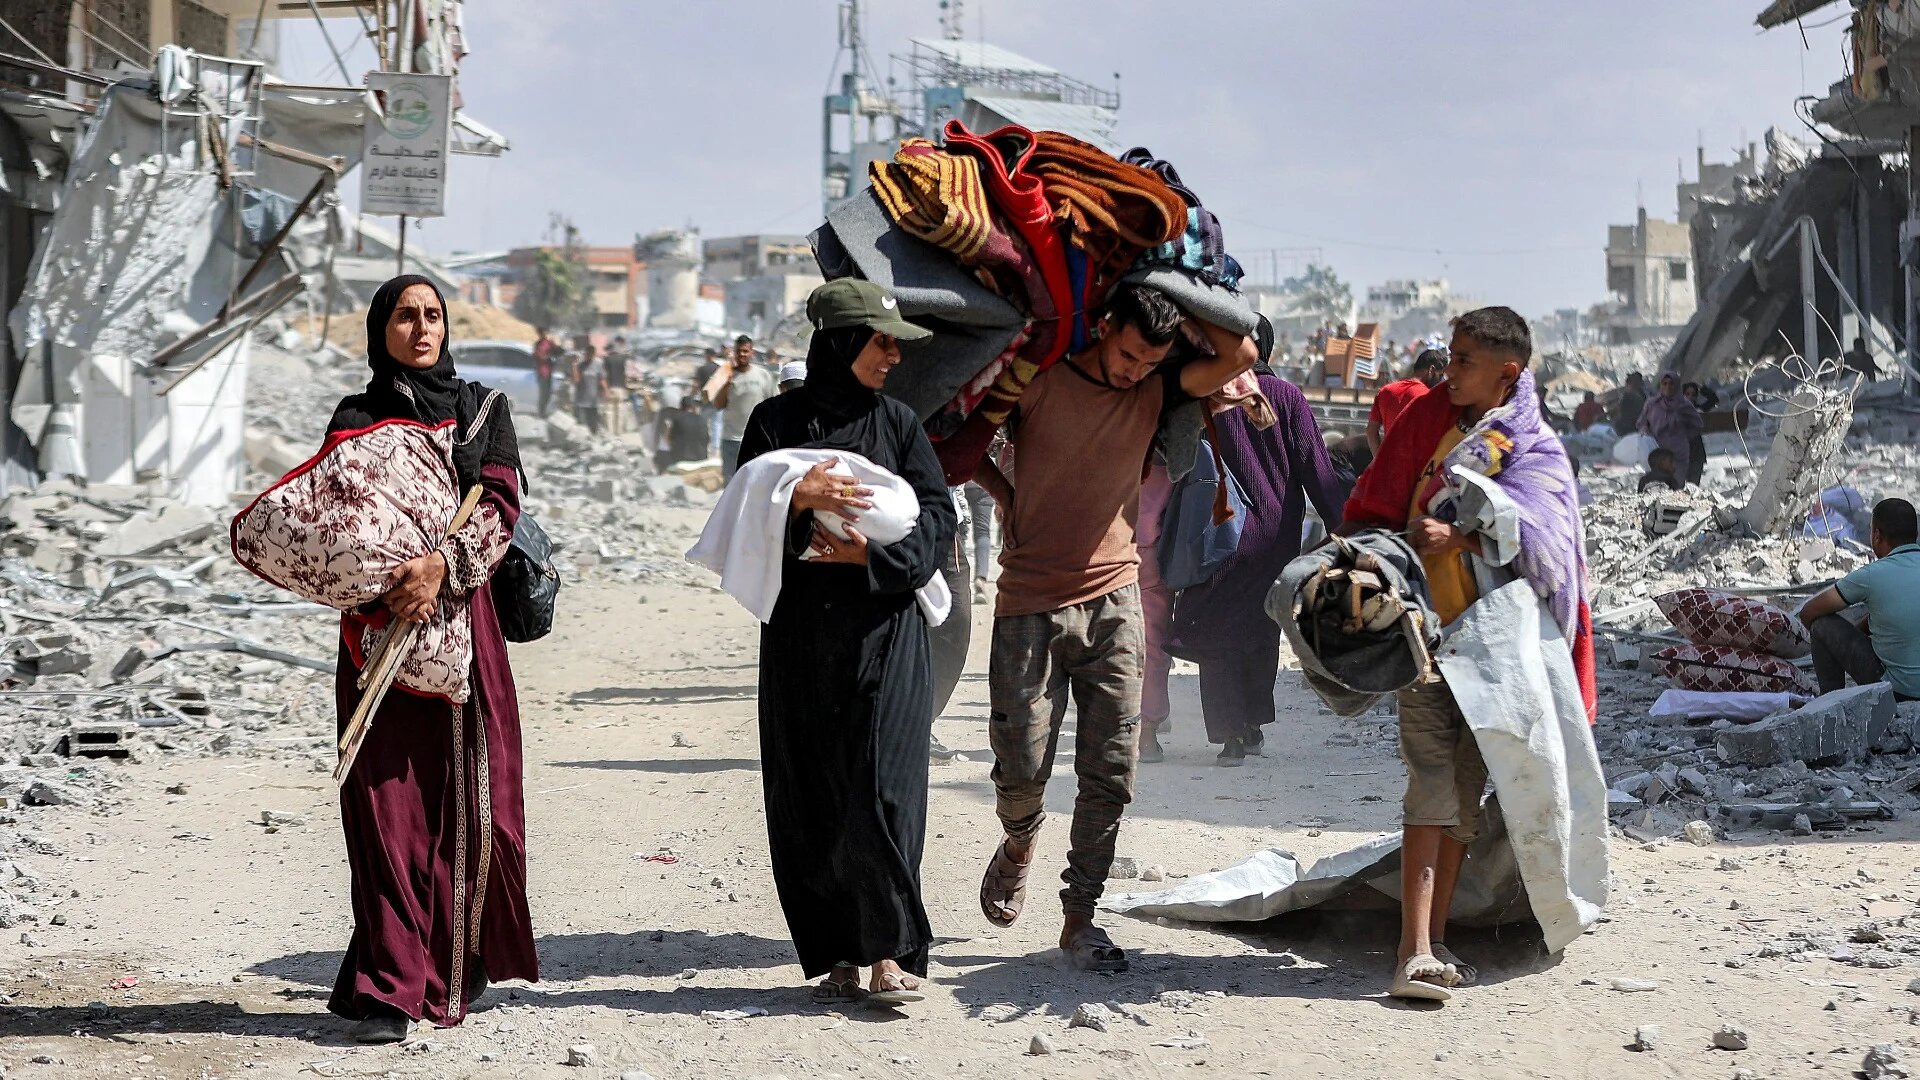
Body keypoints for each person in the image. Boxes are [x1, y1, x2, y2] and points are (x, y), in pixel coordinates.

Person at [973, 283, 1257, 974]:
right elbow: (965, 434)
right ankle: (1019, 837)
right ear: (1103, 328)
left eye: (1148, 359)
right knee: (1021, 766)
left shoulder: (1156, 391)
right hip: (1030, 599)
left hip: (1115, 600)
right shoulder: (1038, 379)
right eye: (1128, 353)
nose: (1133, 369)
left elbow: (1240, 347)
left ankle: (1081, 915)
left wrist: (1161, 291)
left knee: (1111, 772)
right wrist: (1005, 496)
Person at [1337, 306, 1594, 1004]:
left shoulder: (1534, 448)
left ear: (1508, 372)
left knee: (1464, 794)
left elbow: (1551, 548)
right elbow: (1375, 505)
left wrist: (1469, 541)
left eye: (1464, 362)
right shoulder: (1424, 422)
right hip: (1424, 638)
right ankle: (1411, 950)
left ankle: (1436, 935)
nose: (1449, 373)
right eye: (1448, 358)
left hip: (1497, 652)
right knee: (1429, 781)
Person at [324, 276, 537, 1041]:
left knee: (463, 807)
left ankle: (450, 962)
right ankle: (389, 985)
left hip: (462, 624)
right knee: (383, 809)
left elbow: (501, 505)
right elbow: (334, 524)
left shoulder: (481, 411)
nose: (422, 328)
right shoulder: (356, 418)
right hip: (376, 631)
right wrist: (390, 583)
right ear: (382, 327)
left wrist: (440, 569)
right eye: (407, 316)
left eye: (434, 315)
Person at [737, 277, 955, 1007]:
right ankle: (836, 951)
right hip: (800, 637)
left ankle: (890, 951)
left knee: (884, 786)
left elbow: (937, 518)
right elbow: (742, 515)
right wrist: (798, 501)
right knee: (815, 789)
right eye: (882, 341)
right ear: (841, 342)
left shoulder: (898, 424)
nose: (894, 355)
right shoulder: (774, 423)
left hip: (885, 630)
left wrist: (872, 559)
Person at [1167, 363, 1345, 766]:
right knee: (1261, 628)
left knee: (1217, 632)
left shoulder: (1208, 394)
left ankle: (1230, 735)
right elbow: (1316, 468)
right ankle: (1253, 725)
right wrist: (1343, 525)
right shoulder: (1286, 397)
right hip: (1275, 539)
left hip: (1218, 534)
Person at [1798, 498, 1920, 703]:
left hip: (1896, 691)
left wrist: (1841, 645)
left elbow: (1809, 612)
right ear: (1915, 535)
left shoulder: (1872, 575)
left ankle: (1829, 704)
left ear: (1876, 536)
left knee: (1822, 625)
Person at [1135, 462, 1177, 764]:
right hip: (1151, 555)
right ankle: (1147, 731)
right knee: (1153, 644)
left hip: (1103, 551)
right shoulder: (1171, 458)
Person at [712, 335, 775, 482]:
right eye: (739, 351)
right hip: (731, 439)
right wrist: (727, 384)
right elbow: (718, 405)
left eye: (745, 351)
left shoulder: (763, 375)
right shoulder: (727, 375)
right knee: (730, 482)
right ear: (734, 352)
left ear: (752, 352)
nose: (742, 354)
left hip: (756, 438)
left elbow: (772, 404)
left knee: (754, 481)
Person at [1368, 349, 1446, 454]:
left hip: (1389, 461)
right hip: (1413, 465)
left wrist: (1378, 460)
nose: (1439, 381)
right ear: (1431, 370)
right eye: (1440, 375)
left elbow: (1371, 431)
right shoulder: (1427, 397)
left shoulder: (1386, 390)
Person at [1636, 372, 1702, 483]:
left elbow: (1697, 425)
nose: (1668, 387)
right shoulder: (1652, 404)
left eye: (1671, 384)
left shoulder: (1684, 405)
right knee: (1659, 485)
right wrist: (1647, 432)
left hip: (1679, 453)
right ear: (1660, 385)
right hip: (1658, 453)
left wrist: (1683, 436)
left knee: (1677, 486)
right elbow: (1641, 423)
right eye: (1664, 383)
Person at [653, 386, 709, 473]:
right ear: (694, 407)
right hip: (701, 459)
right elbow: (707, 440)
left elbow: (668, 440)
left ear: (680, 407)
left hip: (681, 459)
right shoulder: (702, 420)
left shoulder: (676, 419)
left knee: (661, 454)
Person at [1680, 381, 1716, 485]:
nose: (1690, 397)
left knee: (1694, 484)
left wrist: (1702, 388)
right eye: (1687, 394)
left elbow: (1713, 399)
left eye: (1693, 394)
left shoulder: (1698, 410)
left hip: (1696, 453)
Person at [572, 340, 606, 435]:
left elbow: (602, 379)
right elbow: (576, 380)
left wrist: (605, 391)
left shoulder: (598, 364)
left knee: (593, 426)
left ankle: (593, 443)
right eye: (587, 353)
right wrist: (574, 366)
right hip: (581, 401)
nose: (589, 356)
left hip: (593, 401)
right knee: (582, 426)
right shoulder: (580, 366)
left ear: (593, 354)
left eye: (591, 354)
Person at [603, 336, 630, 436]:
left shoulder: (606, 360)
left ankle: (610, 432)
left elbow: (604, 375)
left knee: (609, 411)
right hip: (621, 388)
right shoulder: (623, 359)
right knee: (619, 410)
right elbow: (625, 374)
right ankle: (618, 433)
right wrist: (626, 387)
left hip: (610, 388)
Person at [532, 327, 557, 417]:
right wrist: (547, 357)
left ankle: (544, 411)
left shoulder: (549, 343)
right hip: (542, 372)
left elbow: (557, 351)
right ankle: (541, 412)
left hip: (549, 372)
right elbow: (538, 357)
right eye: (541, 333)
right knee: (543, 393)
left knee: (549, 393)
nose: (543, 334)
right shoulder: (538, 345)